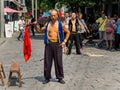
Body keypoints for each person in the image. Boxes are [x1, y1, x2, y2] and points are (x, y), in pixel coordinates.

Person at [33, 9, 70, 84]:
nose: (53, 17)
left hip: (58, 44)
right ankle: (47, 77)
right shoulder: (47, 24)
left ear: (57, 16)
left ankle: (60, 77)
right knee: (47, 62)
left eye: (54, 15)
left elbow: (68, 32)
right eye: (51, 15)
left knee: (59, 62)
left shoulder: (60, 24)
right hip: (49, 44)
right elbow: (39, 31)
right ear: (50, 16)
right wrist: (35, 26)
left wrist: (64, 41)